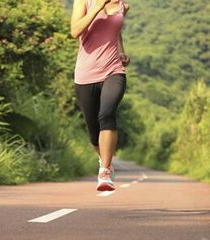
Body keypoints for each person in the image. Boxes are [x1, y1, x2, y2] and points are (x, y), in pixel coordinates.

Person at [70, 0, 130, 191]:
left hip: (114, 70)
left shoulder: (123, 6)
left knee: (107, 114)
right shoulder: (83, 2)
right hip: (85, 74)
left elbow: (115, 31)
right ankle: (104, 161)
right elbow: (75, 31)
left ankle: (105, 171)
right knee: (94, 134)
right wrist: (97, 7)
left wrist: (121, 51)